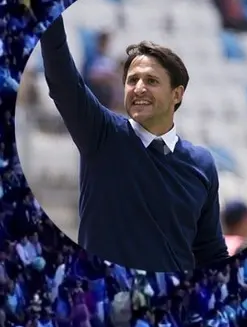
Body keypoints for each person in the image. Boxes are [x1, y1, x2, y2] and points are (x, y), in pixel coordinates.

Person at [39, 15, 230, 272]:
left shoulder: (202, 163)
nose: (138, 88)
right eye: (132, 80)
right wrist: (48, 13)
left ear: (177, 94)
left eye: (151, 81)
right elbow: (63, 81)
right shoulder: (102, 133)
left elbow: (211, 253)